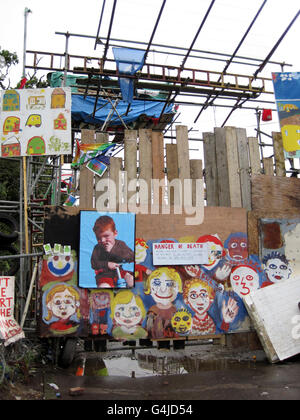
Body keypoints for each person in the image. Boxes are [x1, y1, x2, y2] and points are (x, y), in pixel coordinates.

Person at [91, 215, 134, 288]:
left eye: (106, 236)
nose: (102, 240)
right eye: (98, 238)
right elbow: (94, 264)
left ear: (115, 233)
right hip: (104, 276)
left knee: (131, 280)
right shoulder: (97, 248)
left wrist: (113, 250)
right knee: (104, 286)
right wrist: (107, 264)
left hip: (120, 272)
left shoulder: (120, 244)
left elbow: (131, 256)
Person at [144, 267, 182, 339]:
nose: (163, 290)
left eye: (170, 284)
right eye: (157, 283)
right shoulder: (153, 310)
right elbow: (149, 327)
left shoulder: (174, 310)